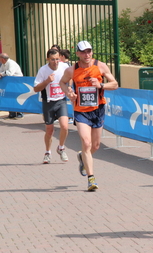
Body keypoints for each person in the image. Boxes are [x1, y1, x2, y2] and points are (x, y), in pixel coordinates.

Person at [59, 41, 118, 191]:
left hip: (98, 109)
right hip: (80, 110)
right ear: (77, 53)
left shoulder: (100, 66)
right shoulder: (72, 70)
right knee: (86, 143)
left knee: (95, 146)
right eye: (83, 52)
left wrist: (101, 85)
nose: (87, 55)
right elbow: (62, 83)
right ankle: (91, 179)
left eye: (89, 51)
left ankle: (83, 158)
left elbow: (115, 84)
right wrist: (69, 93)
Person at [34, 49, 70, 164]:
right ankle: (47, 152)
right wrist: (47, 81)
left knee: (64, 126)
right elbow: (36, 88)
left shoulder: (64, 67)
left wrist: (69, 87)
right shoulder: (43, 70)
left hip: (61, 101)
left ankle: (61, 147)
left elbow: (71, 76)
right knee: (49, 130)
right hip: (48, 102)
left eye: (57, 59)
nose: (55, 62)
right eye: (53, 59)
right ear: (48, 59)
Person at [0, 53, 24, 119]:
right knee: (9, 97)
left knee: (17, 97)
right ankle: (12, 113)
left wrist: (1, 74)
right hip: (10, 83)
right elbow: (1, 71)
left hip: (17, 83)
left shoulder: (11, 63)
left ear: (3, 59)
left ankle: (20, 113)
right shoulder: (3, 64)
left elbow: (10, 73)